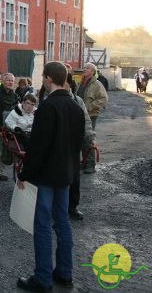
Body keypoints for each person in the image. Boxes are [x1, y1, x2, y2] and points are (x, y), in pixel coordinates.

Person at [16, 61, 85, 292]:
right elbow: (78, 144)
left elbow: (38, 147)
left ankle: (43, 278)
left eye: (44, 77)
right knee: (63, 221)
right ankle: (65, 273)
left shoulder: (47, 107)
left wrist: (24, 174)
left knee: (43, 224)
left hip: (47, 176)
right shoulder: (75, 107)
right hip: (66, 174)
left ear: (47, 79)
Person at [63, 73, 96, 221]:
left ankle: (72, 207)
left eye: (64, 83)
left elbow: (86, 122)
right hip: (56, 146)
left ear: (69, 85)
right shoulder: (47, 99)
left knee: (74, 178)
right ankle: (56, 207)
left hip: (73, 146)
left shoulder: (78, 101)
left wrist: (89, 139)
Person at [76, 62, 107, 173]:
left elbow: (103, 99)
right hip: (79, 115)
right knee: (81, 139)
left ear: (93, 71)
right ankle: (84, 162)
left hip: (90, 115)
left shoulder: (97, 84)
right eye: (85, 67)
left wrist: (90, 107)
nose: (84, 69)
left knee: (88, 139)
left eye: (87, 68)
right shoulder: (81, 83)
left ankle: (90, 165)